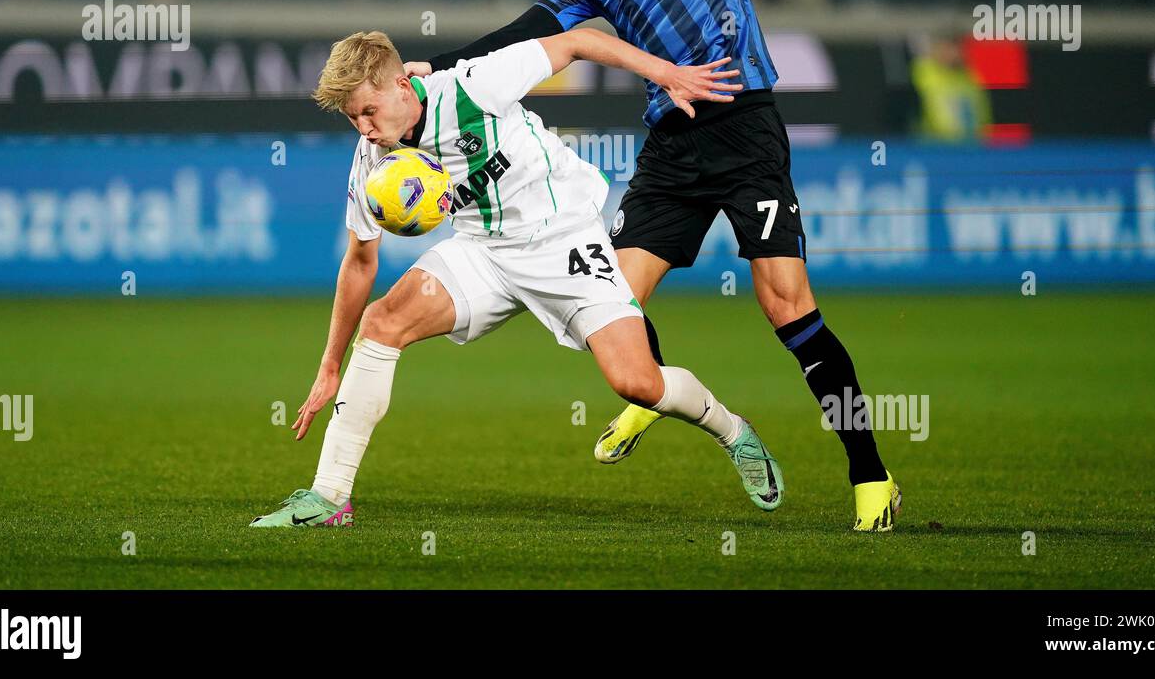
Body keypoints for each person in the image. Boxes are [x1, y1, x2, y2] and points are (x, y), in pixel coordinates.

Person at [407, 0, 900, 531]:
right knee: (611, 306)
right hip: (671, 143)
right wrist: (437, 65)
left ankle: (870, 474)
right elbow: (524, 32)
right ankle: (654, 393)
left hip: (745, 131)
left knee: (786, 306)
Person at [251, 26, 784, 527]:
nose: (364, 128)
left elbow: (576, 41)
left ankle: (733, 430)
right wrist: (329, 365)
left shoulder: (473, 86)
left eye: (368, 111)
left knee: (637, 383)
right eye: (353, 119)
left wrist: (666, 73)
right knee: (383, 321)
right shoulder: (373, 161)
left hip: (563, 238)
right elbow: (361, 261)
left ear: (400, 83)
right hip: (483, 252)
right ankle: (329, 496)